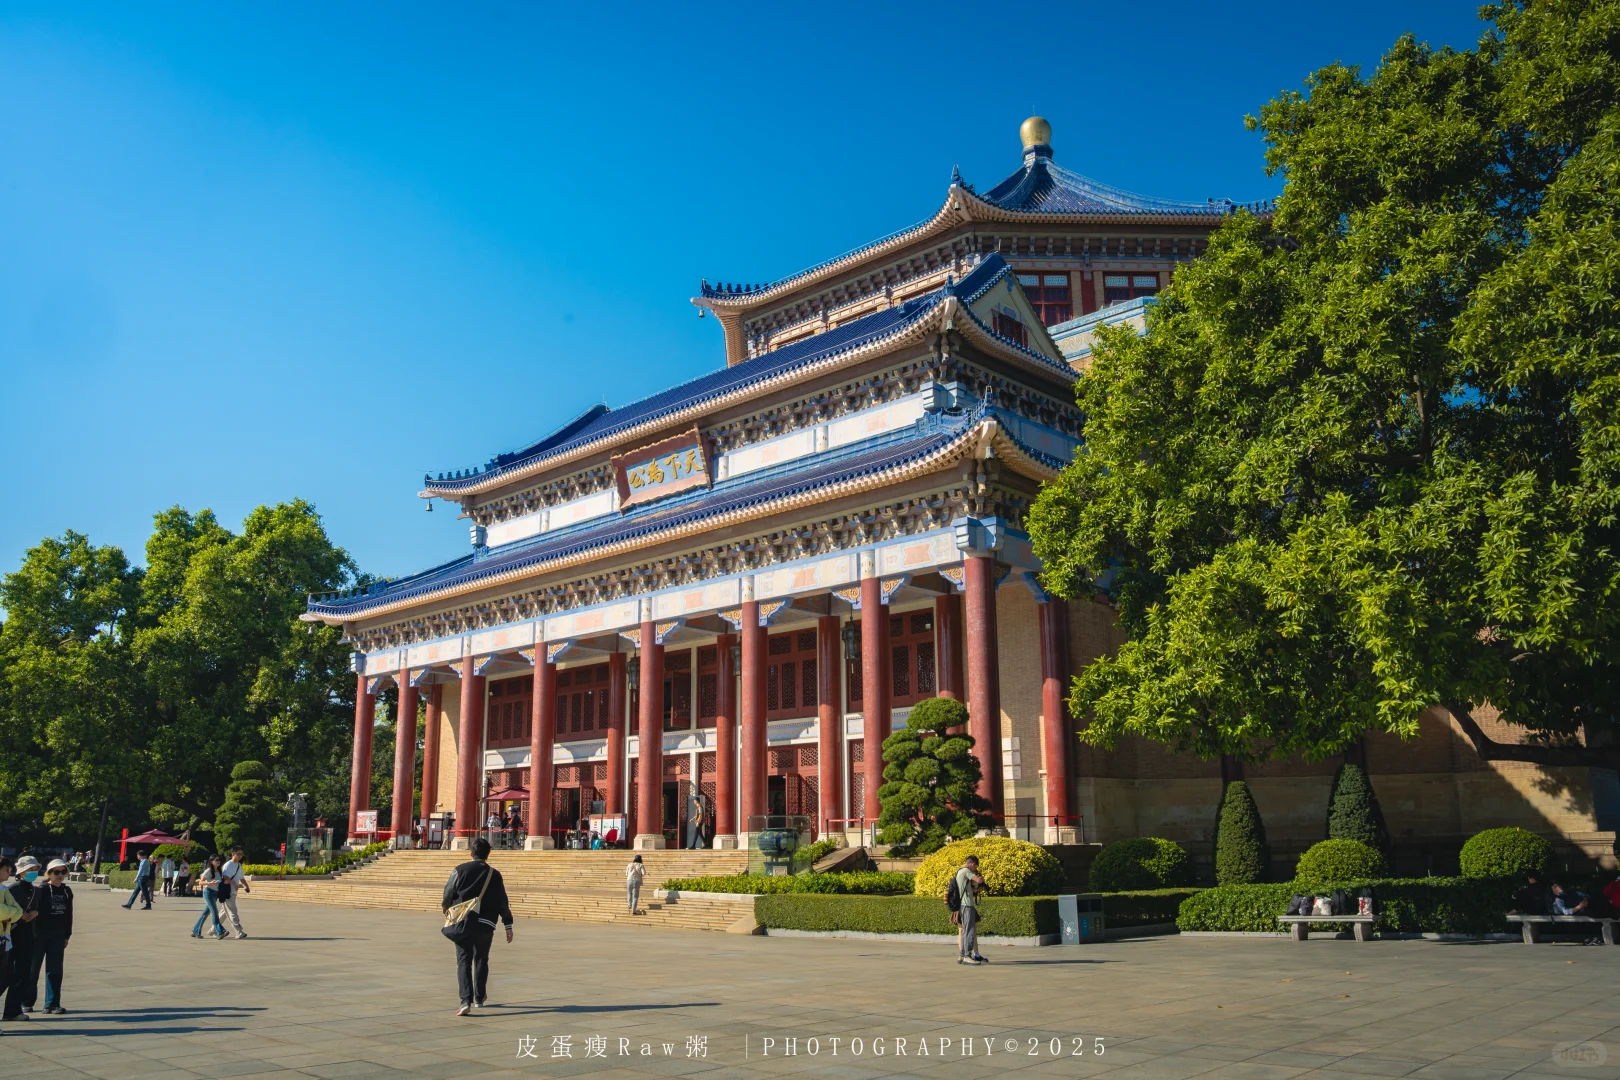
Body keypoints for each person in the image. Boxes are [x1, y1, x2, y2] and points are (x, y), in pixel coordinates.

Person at [442, 838, 513, 1016]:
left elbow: (448, 893)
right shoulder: (494, 874)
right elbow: (503, 901)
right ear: (488, 854)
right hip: (486, 924)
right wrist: (508, 924)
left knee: (463, 960)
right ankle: (479, 998)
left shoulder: (460, 870)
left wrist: (448, 911)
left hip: (464, 922)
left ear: (471, 852)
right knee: (481, 959)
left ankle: (465, 1001)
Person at [30, 860, 73, 1014]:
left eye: (63, 872)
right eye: (57, 872)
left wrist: (67, 935)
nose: (60, 875)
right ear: (48, 873)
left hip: (58, 935)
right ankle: (27, 1001)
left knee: (55, 970)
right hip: (38, 935)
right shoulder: (40, 890)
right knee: (32, 969)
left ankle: (52, 1003)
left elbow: (69, 915)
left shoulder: (67, 891)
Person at [3, 857, 40, 1020]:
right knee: (8, 975)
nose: (33, 873)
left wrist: (36, 913)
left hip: (28, 934)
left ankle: (13, 1010)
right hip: (12, 934)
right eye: (30, 870)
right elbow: (8, 911)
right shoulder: (12, 889)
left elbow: (39, 907)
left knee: (23, 973)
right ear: (21, 872)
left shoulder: (34, 889)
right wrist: (18, 916)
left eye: (35, 869)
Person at [0, 856, 27, 1036]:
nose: (10, 872)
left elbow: (17, 911)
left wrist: (11, 913)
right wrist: (12, 913)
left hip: (4, 938)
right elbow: (8, 911)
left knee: (6, 976)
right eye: (7, 869)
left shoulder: (3, 888)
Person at [955, 854, 987, 966]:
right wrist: (981, 880)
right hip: (967, 905)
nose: (975, 870)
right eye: (975, 867)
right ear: (972, 864)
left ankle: (962, 955)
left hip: (962, 905)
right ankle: (967, 956)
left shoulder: (959, 871)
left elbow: (969, 888)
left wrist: (975, 888)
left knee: (965, 930)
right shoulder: (966, 871)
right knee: (969, 930)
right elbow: (978, 879)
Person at [191, 856, 228, 939]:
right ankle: (220, 931)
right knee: (214, 912)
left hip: (215, 894)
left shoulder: (219, 871)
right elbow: (200, 882)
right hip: (208, 893)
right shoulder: (208, 871)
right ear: (211, 861)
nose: (218, 862)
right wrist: (210, 883)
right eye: (216, 860)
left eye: (219, 860)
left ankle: (195, 930)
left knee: (205, 913)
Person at [219, 847, 251, 938]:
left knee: (224, 912)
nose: (240, 856)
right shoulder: (228, 865)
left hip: (233, 892)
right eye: (238, 854)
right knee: (233, 911)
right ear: (233, 854)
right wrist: (233, 883)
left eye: (241, 854)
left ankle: (214, 929)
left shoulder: (238, 865)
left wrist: (246, 886)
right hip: (227, 891)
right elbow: (224, 876)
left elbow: (241, 877)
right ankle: (238, 931)